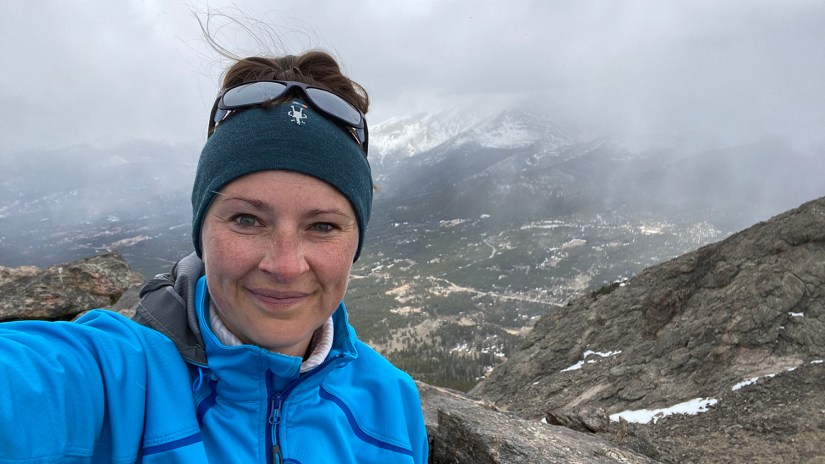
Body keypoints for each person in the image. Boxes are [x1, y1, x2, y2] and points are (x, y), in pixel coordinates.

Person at [0, 50, 428, 463]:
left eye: (322, 226)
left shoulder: (393, 404)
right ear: (201, 231)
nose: (285, 266)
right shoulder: (119, 380)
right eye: (247, 219)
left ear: (356, 242)